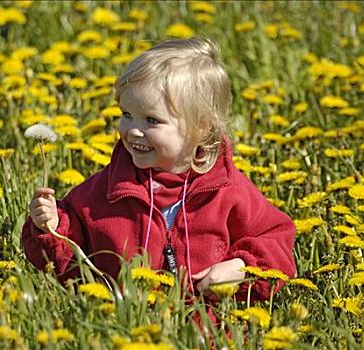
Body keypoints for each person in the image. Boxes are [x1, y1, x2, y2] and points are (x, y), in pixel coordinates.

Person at [22, 38, 296, 302]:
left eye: (151, 120)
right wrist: (52, 227)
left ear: (201, 127)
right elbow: (68, 264)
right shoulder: (105, 192)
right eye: (127, 115)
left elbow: (277, 241)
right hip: (124, 327)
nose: (133, 130)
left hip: (206, 333)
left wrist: (241, 268)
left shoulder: (227, 190)